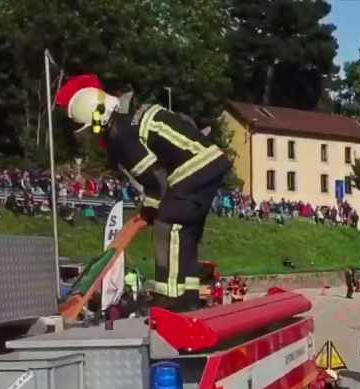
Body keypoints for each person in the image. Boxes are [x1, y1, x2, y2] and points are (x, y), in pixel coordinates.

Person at [54, 74, 230, 312]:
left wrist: (149, 210)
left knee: (168, 223)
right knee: (185, 234)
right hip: (210, 162)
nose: (95, 136)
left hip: (192, 169)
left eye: (92, 129)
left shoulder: (121, 135)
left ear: (97, 118)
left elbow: (155, 179)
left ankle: (171, 299)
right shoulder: (134, 115)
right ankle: (187, 295)